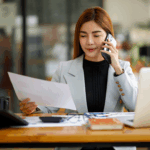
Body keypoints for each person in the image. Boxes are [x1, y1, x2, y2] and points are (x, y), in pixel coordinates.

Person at [19, 6, 137, 150]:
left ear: (109, 38)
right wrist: (34, 108)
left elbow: (134, 106)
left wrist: (117, 68)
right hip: (76, 144)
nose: (89, 42)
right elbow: (48, 108)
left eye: (96, 35)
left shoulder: (123, 67)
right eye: (83, 35)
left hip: (113, 144)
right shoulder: (65, 69)